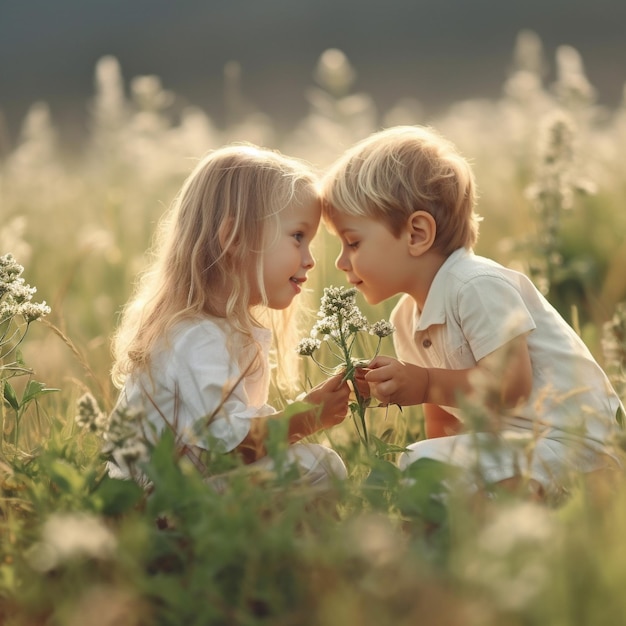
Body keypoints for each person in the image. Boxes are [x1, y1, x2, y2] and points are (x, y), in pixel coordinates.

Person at [320, 125, 624, 499]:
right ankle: (464, 524)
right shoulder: (406, 317)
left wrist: (425, 383)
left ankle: (577, 502)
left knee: (421, 463)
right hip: (521, 449)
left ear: (416, 234)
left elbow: (511, 386)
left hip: (578, 449)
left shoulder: (476, 285)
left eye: (352, 242)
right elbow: (445, 419)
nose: (340, 261)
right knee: (423, 464)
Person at [108, 143, 350, 488]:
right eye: (298, 237)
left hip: (178, 490)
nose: (310, 259)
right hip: (161, 505)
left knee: (312, 463)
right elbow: (230, 448)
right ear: (234, 238)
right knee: (320, 466)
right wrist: (307, 416)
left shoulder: (212, 329)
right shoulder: (197, 337)